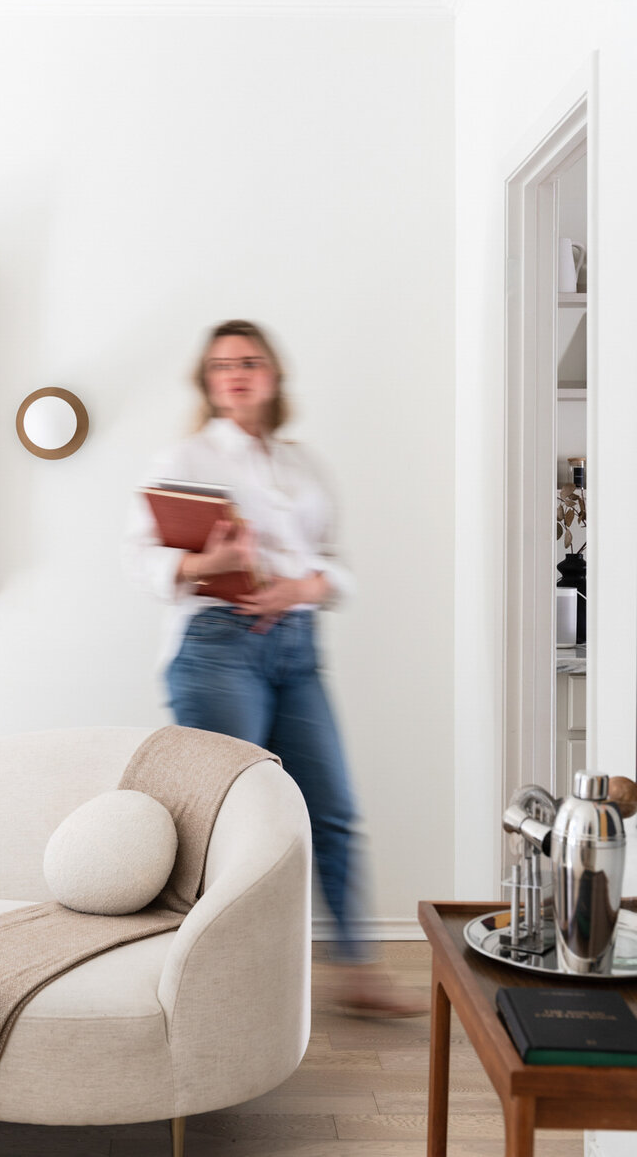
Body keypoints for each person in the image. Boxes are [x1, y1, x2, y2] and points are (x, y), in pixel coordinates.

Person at [124, 319, 425, 1016]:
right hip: (217, 647)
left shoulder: (303, 465)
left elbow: (338, 569)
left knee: (334, 808)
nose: (237, 373)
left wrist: (299, 588)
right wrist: (213, 563)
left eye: (252, 361)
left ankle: (359, 970)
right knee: (226, 818)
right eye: (222, 364)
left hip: (297, 648)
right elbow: (141, 561)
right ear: (206, 381)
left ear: (274, 376)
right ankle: (203, 977)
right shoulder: (186, 457)